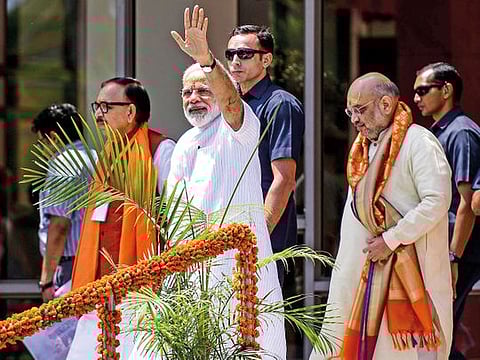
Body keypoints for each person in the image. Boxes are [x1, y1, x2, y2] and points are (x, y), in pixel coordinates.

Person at [131, 5, 285, 359]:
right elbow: (176, 214)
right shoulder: (184, 142)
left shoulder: (240, 127)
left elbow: (231, 101)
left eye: (203, 90)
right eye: (187, 93)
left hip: (238, 268)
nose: (194, 98)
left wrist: (206, 60)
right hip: (192, 270)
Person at [310, 73, 452, 359]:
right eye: (350, 112)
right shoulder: (361, 151)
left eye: (360, 110)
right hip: (359, 277)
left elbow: (437, 201)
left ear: (386, 104)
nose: (354, 120)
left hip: (407, 277)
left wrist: (391, 239)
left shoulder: (419, 142)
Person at [66, 78, 175, 360]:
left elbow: (178, 217)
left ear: (130, 112)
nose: (99, 114)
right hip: (100, 285)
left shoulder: (160, 150)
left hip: (142, 286)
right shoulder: (107, 156)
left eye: (106, 106)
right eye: (97, 106)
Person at [226, 25, 305, 285]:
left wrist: (259, 235)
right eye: (231, 54)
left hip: (266, 239)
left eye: (245, 54)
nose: (236, 61)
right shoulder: (231, 106)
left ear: (266, 59)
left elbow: (283, 180)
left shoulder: (280, 103)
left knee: (264, 322)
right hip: (229, 234)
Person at [413, 62, 480, 360]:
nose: (416, 98)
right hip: (442, 247)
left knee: (439, 332)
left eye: (423, 91)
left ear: (447, 90)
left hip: (458, 250)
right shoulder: (439, 132)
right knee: (437, 334)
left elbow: (467, 204)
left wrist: (454, 256)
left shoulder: (461, 133)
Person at [32, 103, 92, 302]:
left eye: (42, 142)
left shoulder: (63, 165)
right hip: (94, 260)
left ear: (54, 138)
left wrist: (46, 281)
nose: (41, 150)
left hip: (70, 268)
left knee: (68, 331)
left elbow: (59, 226)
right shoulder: (95, 157)